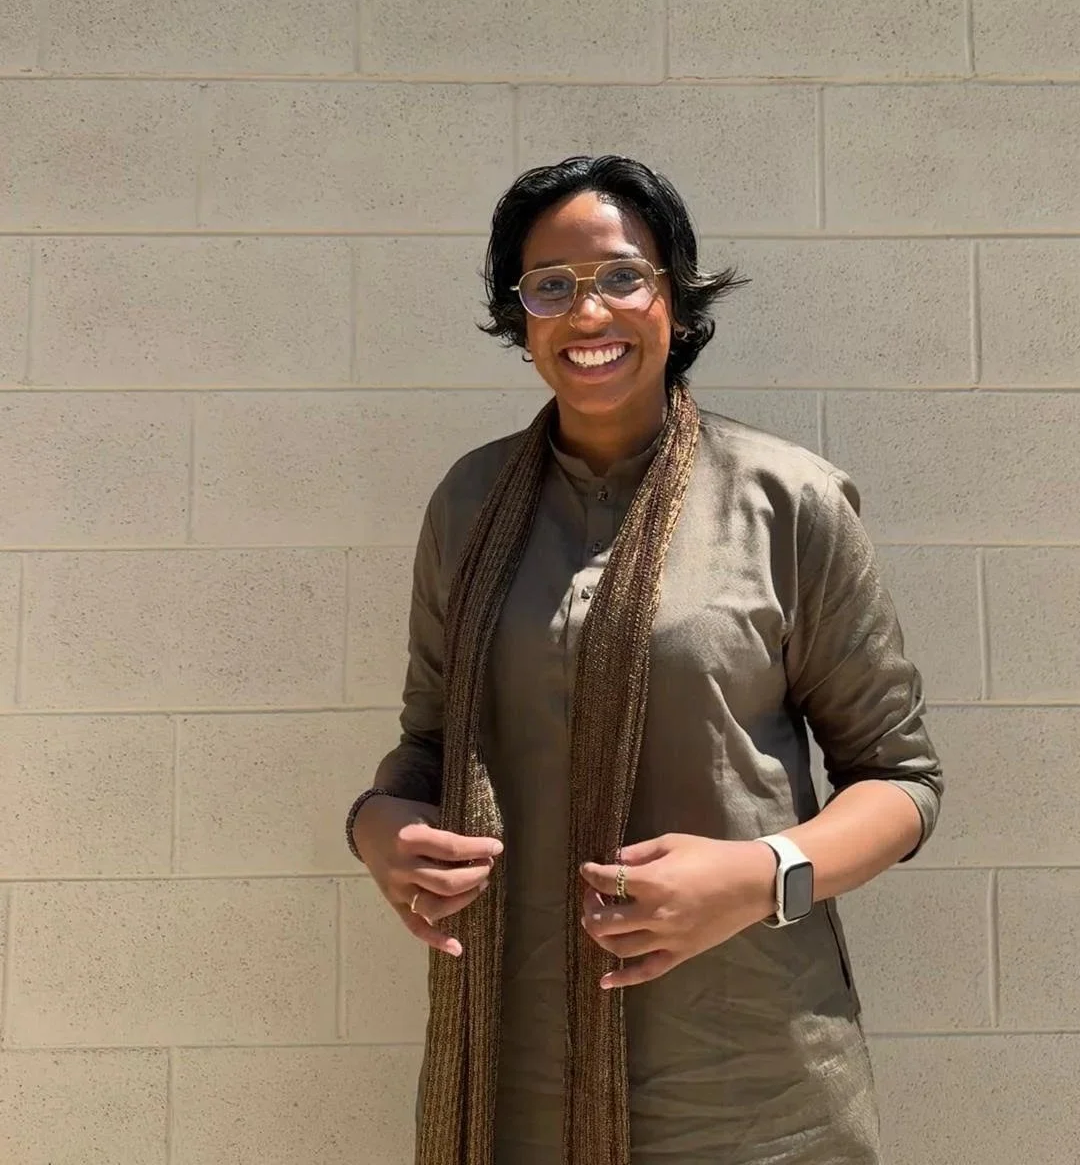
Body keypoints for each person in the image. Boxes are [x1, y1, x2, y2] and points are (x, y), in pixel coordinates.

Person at [345, 154, 943, 1165]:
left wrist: (761, 875)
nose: (589, 314)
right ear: (520, 315)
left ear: (675, 296)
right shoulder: (470, 504)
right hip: (513, 1073)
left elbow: (900, 782)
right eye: (551, 287)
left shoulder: (786, 501)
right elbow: (429, 743)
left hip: (747, 1080)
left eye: (622, 275)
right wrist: (377, 833)